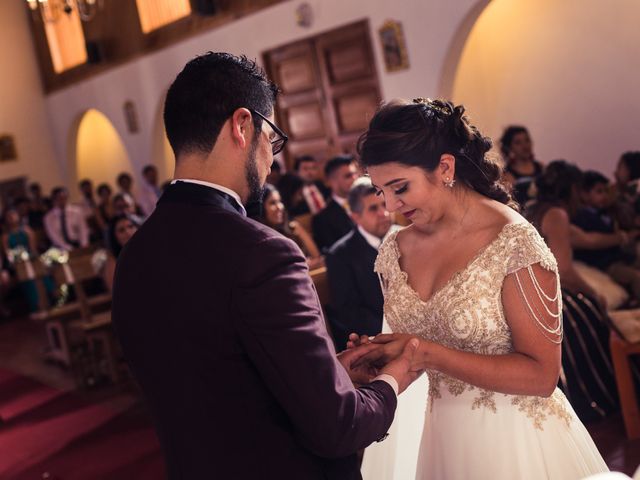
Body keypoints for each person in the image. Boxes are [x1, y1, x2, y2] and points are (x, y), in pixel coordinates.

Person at [112, 52, 419, 480]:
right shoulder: (263, 253)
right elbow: (337, 426)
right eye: (271, 137)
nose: (271, 159)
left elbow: (221, 379)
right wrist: (393, 379)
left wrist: (331, 371)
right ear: (242, 126)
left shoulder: (134, 256)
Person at [354, 99, 607, 479]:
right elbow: (415, 348)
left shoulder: (514, 242)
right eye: (380, 192)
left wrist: (426, 353)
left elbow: (541, 375)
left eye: (399, 187)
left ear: (444, 168)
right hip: (441, 440)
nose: (390, 205)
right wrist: (382, 356)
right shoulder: (396, 248)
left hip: (516, 442)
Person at [527, 160, 621, 422]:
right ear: (572, 189)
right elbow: (563, 270)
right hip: (551, 292)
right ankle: (605, 396)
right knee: (591, 315)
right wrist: (594, 294)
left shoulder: (536, 208)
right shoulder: (557, 214)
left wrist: (622, 237)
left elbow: (584, 239)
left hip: (530, 293)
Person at [326, 177, 392, 349]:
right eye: (373, 208)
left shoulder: (403, 237)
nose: (383, 213)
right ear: (356, 217)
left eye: (384, 205)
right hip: (376, 339)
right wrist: (391, 335)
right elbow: (350, 312)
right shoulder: (340, 255)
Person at [574, 170, 640, 301]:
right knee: (636, 277)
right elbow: (593, 241)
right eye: (599, 192)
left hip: (620, 258)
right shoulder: (583, 216)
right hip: (605, 264)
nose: (604, 196)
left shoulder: (605, 213)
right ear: (584, 194)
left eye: (605, 191)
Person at [257, 183, 324, 269]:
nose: (279, 207)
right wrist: (304, 265)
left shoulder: (292, 227)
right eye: (272, 203)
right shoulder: (261, 239)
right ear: (261, 208)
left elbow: (317, 257)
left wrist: (299, 231)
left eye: (279, 201)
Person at [312, 155, 358, 251]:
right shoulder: (322, 219)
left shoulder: (371, 204)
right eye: (348, 176)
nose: (355, 179)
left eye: (355, 174)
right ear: (330, 181)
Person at [500, 125, 544, 206]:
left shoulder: (541, 167)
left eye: (527, 140)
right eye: (518, 142)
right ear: (509, 147)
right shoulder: (507, 176)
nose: (525, 146)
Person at [102, 215, 138, 292]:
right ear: (114, 237)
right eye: (122, 230)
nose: (128, 232)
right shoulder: (113, 260)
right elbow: (116, 292)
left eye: (131, 226)